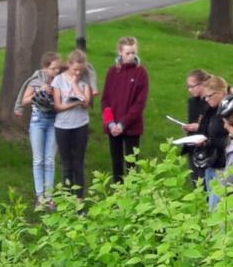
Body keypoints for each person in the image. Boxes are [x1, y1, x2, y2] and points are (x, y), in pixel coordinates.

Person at [17, 51, 64, 207]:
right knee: (38, 160)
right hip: (38, 121)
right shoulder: (36, 80)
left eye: (58, 68)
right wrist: (39, 92)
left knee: (49, 159)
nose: (56, 72)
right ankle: (39, 196)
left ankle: (49, 196)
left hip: (54, 120)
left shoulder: (61, 81)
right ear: (45, 68)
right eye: (53, 69)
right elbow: (24, 100)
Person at [100, 36, 150, 183]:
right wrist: (110, 123)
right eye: (127, 53)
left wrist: (123, 123)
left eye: (133, 52)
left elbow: (139, 103)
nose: (131, 56)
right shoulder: (112, 72)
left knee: (131, 163)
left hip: (131, 126)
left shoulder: (141, 73)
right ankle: (118, 193)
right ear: (120, 52)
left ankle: (132, 193)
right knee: (116, 162)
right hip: (113, 125)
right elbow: (105, 100)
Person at [53, 49, 94, 198]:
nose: (77, 72)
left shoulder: (84, 80)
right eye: (75, 69)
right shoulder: (58, 80)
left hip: (80, 125)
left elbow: (86, 102)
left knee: (78, 163)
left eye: (80, 70)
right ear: (69, 64)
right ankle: (67, 197)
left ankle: (79, 199)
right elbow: (58, 106)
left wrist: (75, 84)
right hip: (63, 125)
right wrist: (74, 103)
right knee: (66, 164)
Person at [184, 75, 229, 198]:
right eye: (206, 96)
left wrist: (208, 141)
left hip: (221, 162)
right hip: (210, 161)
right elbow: (205, 129)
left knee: (216, 202)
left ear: (221, 93)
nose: (207, 99)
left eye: (210, 96)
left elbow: (227, 139)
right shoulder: (211, 109)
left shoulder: (228, 112)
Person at [183, 70, 211, 185]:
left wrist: (199, 126)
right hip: (194, 145)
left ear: (202, 84)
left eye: (192, 86)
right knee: (196, 179)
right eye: (188, 87)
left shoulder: (210, 102)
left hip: (207, 145)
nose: (190, 90)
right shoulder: (193, 102)